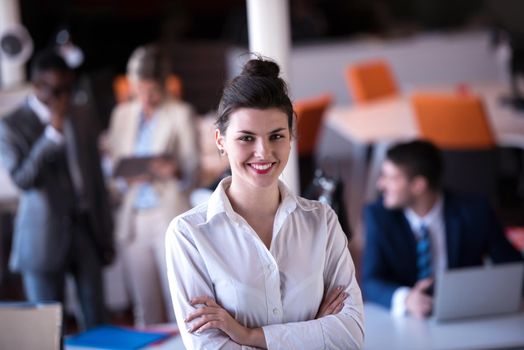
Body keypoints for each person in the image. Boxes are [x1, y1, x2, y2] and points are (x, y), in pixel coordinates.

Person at [166, 58, 364, 349]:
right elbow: (210, 346)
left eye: (276, 136)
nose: (263, 152)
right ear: (220, 140)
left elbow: (350, 336)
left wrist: (248, 336)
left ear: (291, 138)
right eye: (246, 138)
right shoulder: (189, 235)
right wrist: (313, 331)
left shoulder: (322, 221)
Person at [0, 49, 114, 329]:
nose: (64, 96)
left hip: (85, 229)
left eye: (69, 87)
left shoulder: (82, 114)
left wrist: (106, 234)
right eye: (57, 89)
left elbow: (96, 179)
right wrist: (51, 134)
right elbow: (23, 179)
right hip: (42, 236)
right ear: (38, 86)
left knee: (97, 323)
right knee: (48, 329)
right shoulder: (11, 125)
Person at [362, 140, 523, 318]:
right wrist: (406, 299)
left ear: (418, 185)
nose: (380, 185)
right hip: (410, 320)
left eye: (390, 178)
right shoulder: (379, 216)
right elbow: (370, 280)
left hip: (465, 314)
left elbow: (511, 266)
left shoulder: (475, 211)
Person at [105, 44, 199, 326]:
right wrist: (124, 180)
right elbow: (113, 174)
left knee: (178, 304)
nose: (145, 97)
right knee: (145, 309)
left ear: (162, 85)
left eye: (151, 90)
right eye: (139, 89)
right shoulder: (121, 115)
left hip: (167, 215)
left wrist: (175, 171)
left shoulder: (181, 113)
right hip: (133, 218)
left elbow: (193, 173)